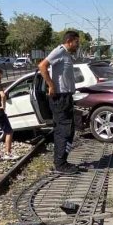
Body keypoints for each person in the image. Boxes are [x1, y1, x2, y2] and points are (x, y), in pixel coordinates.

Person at [39, 31, 81, 174]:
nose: (78, 45)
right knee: (64, 130)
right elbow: (42, 66)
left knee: (67, 130)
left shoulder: (66, 54)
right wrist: (51, 85)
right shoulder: (59, 51)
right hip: (60, 98)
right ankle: (60, 164)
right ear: (69, 41)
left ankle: (61, 161)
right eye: (77, 42)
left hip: (66, 97)